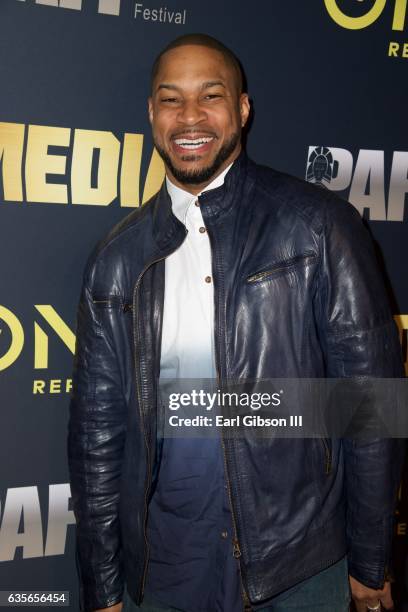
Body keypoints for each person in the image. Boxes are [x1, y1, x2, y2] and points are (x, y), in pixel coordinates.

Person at [68, 34, 404, 612]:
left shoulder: (319, 228)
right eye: (171, 100)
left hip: (298, 567)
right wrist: (102, 583)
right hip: (164, 567)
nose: (189, 117)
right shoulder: (116, 260)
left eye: (211, 96)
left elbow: (369, 406)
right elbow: (97, 435)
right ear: (151, 114)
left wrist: (371, 562)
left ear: (242, 110)